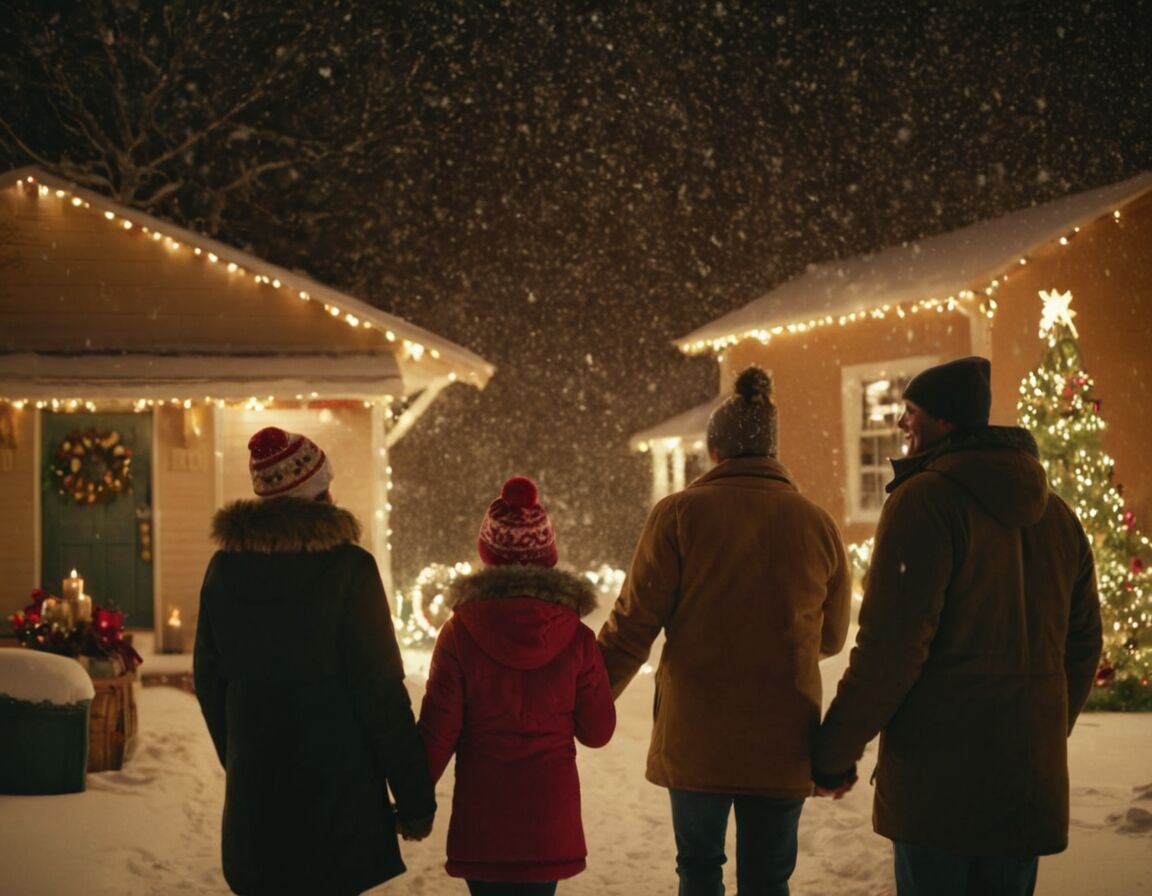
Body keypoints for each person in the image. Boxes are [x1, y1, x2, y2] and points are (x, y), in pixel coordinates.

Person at [812, 356, 1103, 896]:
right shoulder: (1058, 515)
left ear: (945, 423)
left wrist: (834, 753)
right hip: (1025, 786)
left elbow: (891, 649)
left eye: (912, 411)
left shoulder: (925, 501)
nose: (902, 424)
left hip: (939, 786)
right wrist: (1040, 729)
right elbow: (1083, 642)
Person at [597, 366, 852, 896]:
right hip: (783, 736)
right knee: (768, 877)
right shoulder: (817, 524)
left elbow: (633, 625)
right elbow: (831, 638)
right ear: (772, 451)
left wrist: (587, 695)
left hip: (697, 734)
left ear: (714, 452)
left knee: (698, 867)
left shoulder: (678, 516)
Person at [194, 426, 435, 896]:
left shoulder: (224, 570)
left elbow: (210, 681)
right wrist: (413, 797)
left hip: (257, 807)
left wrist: (244, 761)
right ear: (320, 490)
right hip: (338, 803)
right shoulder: (350, 569)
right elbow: (379, 689)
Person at [418, 475, 616, 896]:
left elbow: (438, 734)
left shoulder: (459, 633)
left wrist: (413, 799)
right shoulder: (576, 636)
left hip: (483, 818)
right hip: (549, 819)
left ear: (488, 553)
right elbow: (598, 732)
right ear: (547, 554)